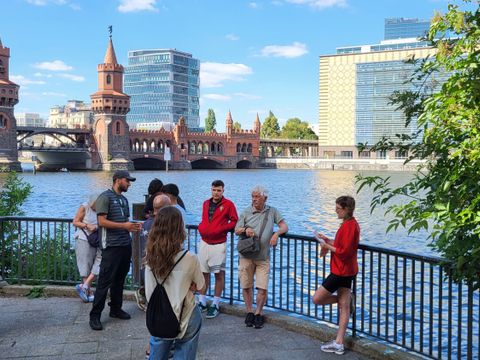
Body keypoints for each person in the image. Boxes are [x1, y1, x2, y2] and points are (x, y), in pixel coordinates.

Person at [145, 206, 205, 360]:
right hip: (185, 314)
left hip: (157, 314)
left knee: (157, 353)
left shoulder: (149, 255)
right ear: (180, 229)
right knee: (185, 350)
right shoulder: (189, 258)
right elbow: (201, 286)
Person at [89, 170, 142, 331]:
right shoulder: (105, 197)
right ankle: (95, 316)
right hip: (111, 246)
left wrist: (131, 226)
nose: (129, 184)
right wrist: (124, 226)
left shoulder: (124, 200)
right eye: (127, 181)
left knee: (119, 279)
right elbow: (102, 222)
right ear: (118, 180)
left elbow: (124, 221)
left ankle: (115, 309)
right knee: (104, 282)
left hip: (125, 245)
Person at [234, 185, 288, 329]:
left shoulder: (272, 211)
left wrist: (276, 234)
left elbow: (284, 226)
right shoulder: (246, 212)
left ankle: (258, 313)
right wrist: (246, 229)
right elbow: (236, 230)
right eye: (253, 196)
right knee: (246, 285)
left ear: (265, 198)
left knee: (262, 287)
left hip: (263, 257)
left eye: (257, 197)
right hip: (246, 255)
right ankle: (249, 311)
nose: (254, 199)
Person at [312, 196, 360, 355]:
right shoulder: (349, 224)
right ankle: (339, 342)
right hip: (347, 270)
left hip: (341, 270)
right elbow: (342, 245)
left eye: (338, 208)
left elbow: (344, 252)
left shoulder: (349, 226)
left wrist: (326, 245)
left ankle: (344, 301)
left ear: (346, 210)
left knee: (317, 298)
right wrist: (328, 240)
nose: (335, 211)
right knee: (344, 306)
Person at [197, 180, 238, 318]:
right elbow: (205, 219)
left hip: (219, 243)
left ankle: (215, 304)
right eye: (214, 190)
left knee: (218, 274)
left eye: (219, 190)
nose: (216, 193)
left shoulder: (228, 205)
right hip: (204, 242)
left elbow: (234, 221)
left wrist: (221, 229)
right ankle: (202, 302)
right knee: (203, 273)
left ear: (223, 191)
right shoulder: (205, 203)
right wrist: (202, 226)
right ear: (211, 190)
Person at [135, 194, 172, 312]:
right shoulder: (161, 224)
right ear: (165, 208)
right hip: (158, 262)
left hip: (147, 261)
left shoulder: (146, 223)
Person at [72, 192, 101, 302]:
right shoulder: (84, 207)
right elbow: (75, 222)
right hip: (84, 239)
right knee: (85, 264)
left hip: (96, 239)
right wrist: (87, 225)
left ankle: (85, 287)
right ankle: (87, 290)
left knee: (99, 261)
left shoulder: (101, 210)